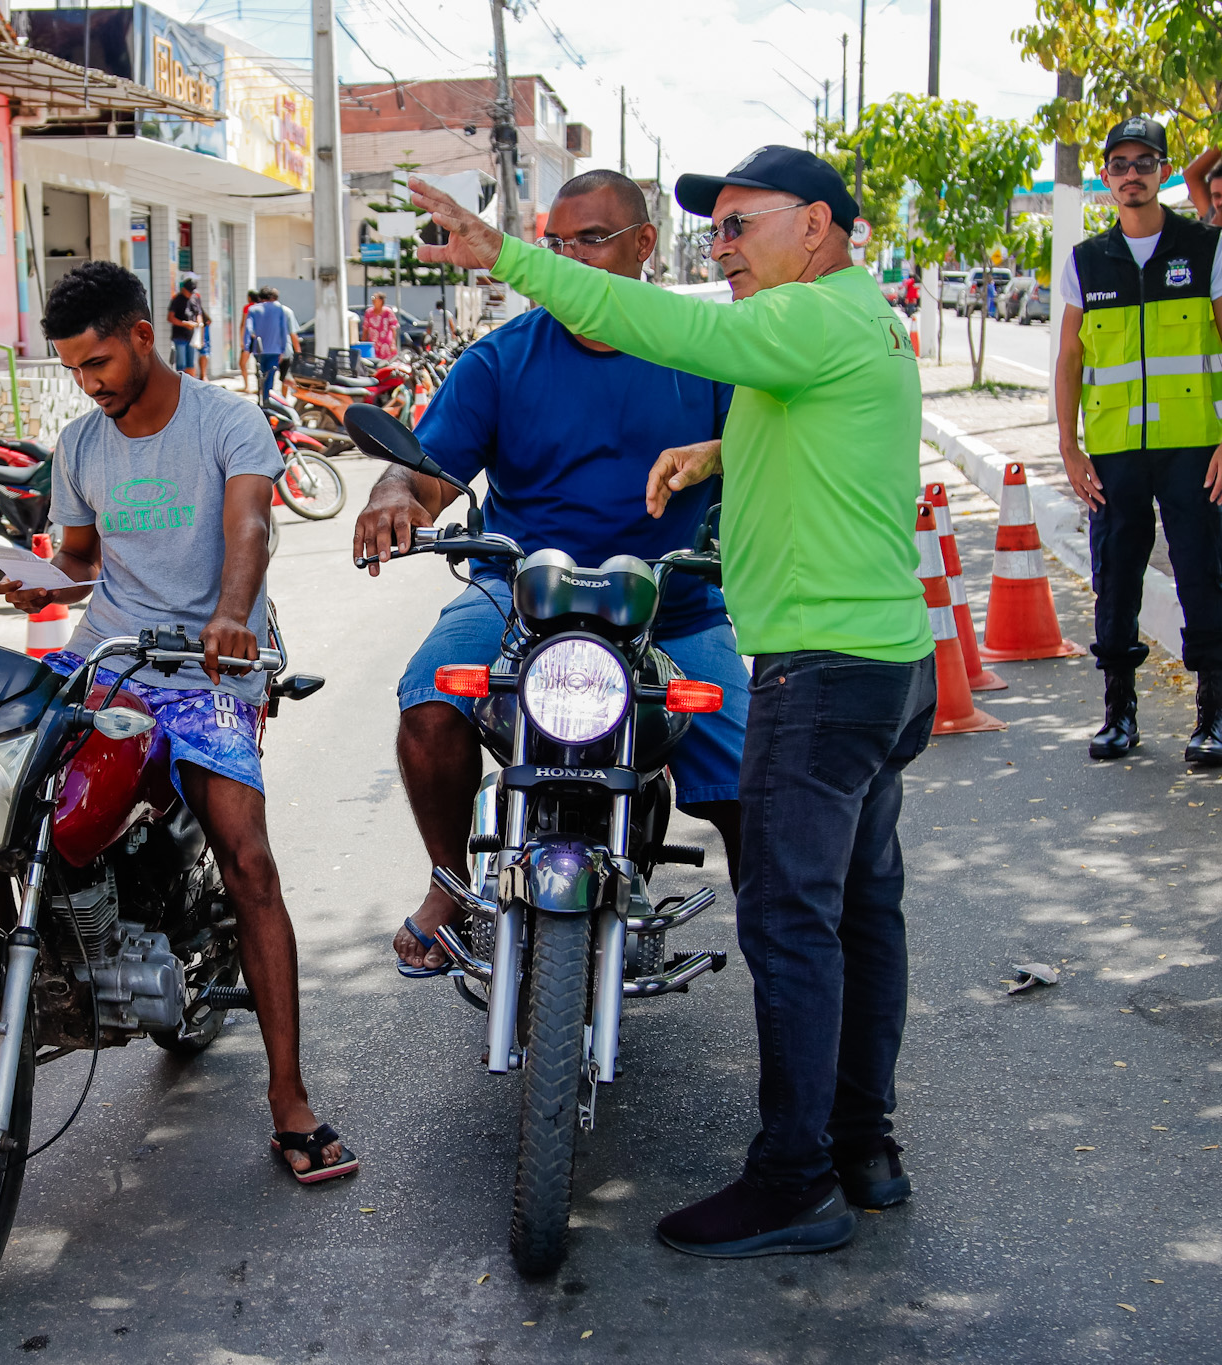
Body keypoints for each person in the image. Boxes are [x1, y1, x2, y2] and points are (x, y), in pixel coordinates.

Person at [411, 144, 935, 1259]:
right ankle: (864, 1148)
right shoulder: (857, 320)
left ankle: (795, 1182)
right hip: (886, 658)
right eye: (718, 227)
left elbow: (659, 326)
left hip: (821, 668)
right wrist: (714, 452)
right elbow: (812, 428)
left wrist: (507, 255)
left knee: (790, 923)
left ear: (817, 226)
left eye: (743, 225)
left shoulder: (803, 319)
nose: (723, 246)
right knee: (858, 911)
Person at [0, 260, 359, 1185]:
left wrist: (232, 614)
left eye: (100, 362)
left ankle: (290, 1100)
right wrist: (39, 581)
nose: (89, 383)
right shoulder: (80, 444)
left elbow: (250, 530)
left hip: (210, 666)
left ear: (143, 336)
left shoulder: (226, 421)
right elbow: (81, 559)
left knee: (248, 856)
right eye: (74, 369)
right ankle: (21, 974)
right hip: (109, 655)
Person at [355, 169, 748, 982]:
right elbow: (428, 472)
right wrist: (393, 492)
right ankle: (450, 881)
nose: (568, 258)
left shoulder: (706, 350)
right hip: (517, 599)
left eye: (590, 240)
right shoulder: (501, 358)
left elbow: (767, 458)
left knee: (757, 777)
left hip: (671, 609)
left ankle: (779, 937)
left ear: (644, 245)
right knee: (428, 705)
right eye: (556, 243)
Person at [1053, 116, 1222, 767]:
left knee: (1202, 575)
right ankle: (1119, 714)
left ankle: (1213, 716)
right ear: (1105, 176)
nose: (1132, 174)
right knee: (1114, 580)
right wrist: (1070, 447)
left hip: (1195, 449)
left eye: (1145, 162)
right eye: (1120, 164)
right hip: (1113, 454)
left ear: (1163, 171)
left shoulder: (1208, 247)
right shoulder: (1086, 261)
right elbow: (1070, 358)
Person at [244, 286, 297, 405]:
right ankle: (267, 402)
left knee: (260, 376)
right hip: (275, 350)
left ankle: (262, 400)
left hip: (258, 350)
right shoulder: (279, 309)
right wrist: (283, 349)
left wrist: (247, 347)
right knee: (270, 378)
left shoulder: (253, 309)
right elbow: (283, 331)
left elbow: (248, 329)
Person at [167, 275, 207, 379]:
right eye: (189, 291)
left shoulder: (195, 298)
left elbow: (199, 313)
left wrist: (199, 324)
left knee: (191, 363)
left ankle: (190, 382)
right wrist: (185, 323)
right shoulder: (177, 300)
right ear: (184, 289)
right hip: (180, 336)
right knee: (181, 364)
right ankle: (181, 383)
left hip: (192, 336)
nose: (190, 294)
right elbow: (170, 318)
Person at [362, 291, 400, 361]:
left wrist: (393, 343)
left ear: (381, 300)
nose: (373, 300)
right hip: (374, 344)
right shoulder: (369, 312)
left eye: (374, 298)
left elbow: (393, 328)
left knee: (388, 362)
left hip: (386, 345)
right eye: (372, 298)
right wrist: (363, 343)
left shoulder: (388, 312)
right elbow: (365, 329)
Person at [238, 287, 260, 392]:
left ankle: (247, 386)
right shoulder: (260, 308)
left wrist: (241, 340)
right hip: (258, 339)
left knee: (242, 363)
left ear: (249, 297)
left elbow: (243, 324)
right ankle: (260, 387)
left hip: (248, 339)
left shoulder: (247, 308)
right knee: (259, 364)